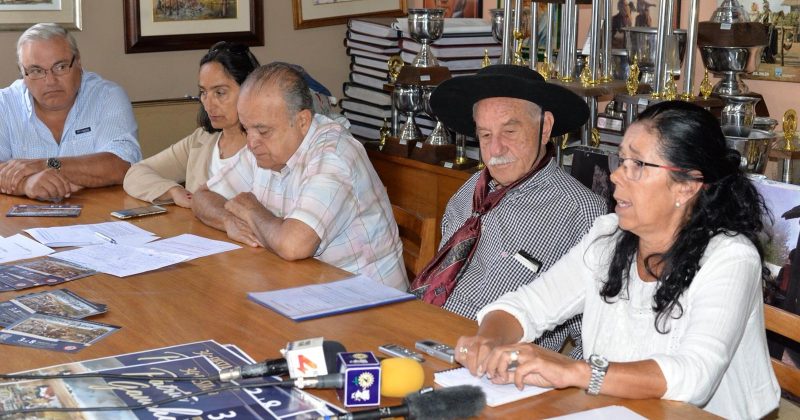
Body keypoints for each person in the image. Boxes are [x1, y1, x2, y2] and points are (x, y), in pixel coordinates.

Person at [455, 101, 780, 419]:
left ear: (686, 186)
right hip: (611, 407)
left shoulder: (730, 257)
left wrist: (574, 371)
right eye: (621, 160)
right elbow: (530, 303)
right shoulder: (608, 235)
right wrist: (488, 341)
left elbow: (694, 375)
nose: (616, 177)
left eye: (637, 165)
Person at [410, 65, 606, 359]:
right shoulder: (469, 191)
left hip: (493, 366)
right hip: (423, 335)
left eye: (510, 132)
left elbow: (593, 339)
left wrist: (550, 383)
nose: (495, 149)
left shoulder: (580, 212)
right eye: (485, 135)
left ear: (545, 128)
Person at [192, 62, 407, 291]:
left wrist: (251, 211)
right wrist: (228, 220)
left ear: (302, 121)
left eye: (263, 131)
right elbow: (202, 196)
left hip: (370, 301)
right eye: (246, 129)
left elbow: (293, 245)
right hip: (305, 287)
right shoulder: (263, 149)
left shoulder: (333, 155)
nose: (252, 142)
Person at [0, 23, 141, 202]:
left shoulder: (107, 97)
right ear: (23, 73)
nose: (50, 81)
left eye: (60, 67)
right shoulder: (4, 104)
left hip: (99, 213)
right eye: (36, 71)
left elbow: (121, 166)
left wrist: (44, 165)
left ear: (78, 62)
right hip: (23, 217)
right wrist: (25, 184)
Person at [123, 41, 259, 207]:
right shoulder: (201, 140)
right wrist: (174, 191)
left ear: (249, 89)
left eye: (220, 93)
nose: (208, 104)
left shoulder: (266, 146)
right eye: (203, 92)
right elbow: (135, 173)